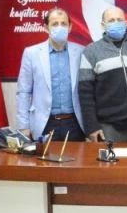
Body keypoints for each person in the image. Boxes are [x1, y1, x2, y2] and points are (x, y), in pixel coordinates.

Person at [16, 8, 85, 141]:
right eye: (54, 24)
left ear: (70, 27)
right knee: (45, 156)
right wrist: (23, 125)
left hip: (74, 124)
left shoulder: (81, 52)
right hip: (44, 124)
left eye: (63, 23)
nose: (60, 27)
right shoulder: (32, 53)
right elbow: (24, 92)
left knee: (77, 155)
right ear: (46, 28)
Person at [78, 6, 127, 142]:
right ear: (103, 25)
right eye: (111, 20)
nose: (116, 23)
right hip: (108, 126)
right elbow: (85, 93)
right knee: (110, 157)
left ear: (126, 23)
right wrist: (91, 126)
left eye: (119, 20)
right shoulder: (91, 51)